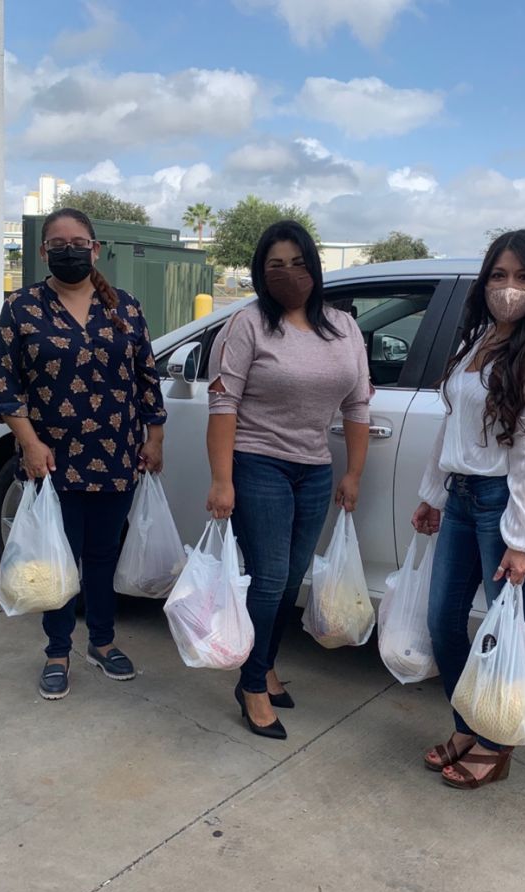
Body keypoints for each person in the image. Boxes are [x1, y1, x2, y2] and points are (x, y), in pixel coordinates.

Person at [411, 229, 525, 789]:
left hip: (507, 502)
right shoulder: (476, 339)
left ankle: (497, 741)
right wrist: (433, 495)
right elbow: (451, 426)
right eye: (499, 276)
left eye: (523, 277)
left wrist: (521, 540)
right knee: (443, 621)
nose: (509, 288)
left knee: (506, 631)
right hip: (461, 499)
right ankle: (468, 725)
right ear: (485, 283)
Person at [0, 208, 166, 700]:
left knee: (103, 555)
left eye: (79, 242)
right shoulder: (22, 308)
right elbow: (4, 384)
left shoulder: (125, 308)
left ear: (95, 248)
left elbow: (147, 377)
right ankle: (58, 651)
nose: (70, 250)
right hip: (52, 457)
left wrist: (155, 438)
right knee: (56, 558)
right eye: (59, 243)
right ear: (44, 252)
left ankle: (103, 643)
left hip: (117, 454)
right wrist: (28, 441)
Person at [206, 220, 371, 740]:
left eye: (297, 262)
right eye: (275, 265)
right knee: (271, 577)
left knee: (291, 578)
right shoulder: (248, 324)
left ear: (314, 267)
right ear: (260, 272)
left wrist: (353, 472)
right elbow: (223, 403)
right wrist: (222, 479)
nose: (288, 274)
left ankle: (267, 663)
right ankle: (252, 685)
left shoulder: (343, 328)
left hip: (315, 469)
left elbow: (357, 404)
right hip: (259, 464)